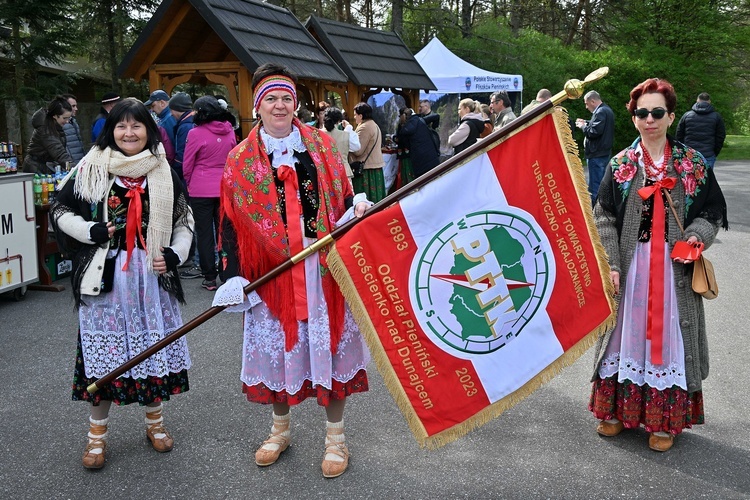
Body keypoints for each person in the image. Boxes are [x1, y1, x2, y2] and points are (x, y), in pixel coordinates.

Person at [215, 62, 371, 478]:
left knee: (331, 348)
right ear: (258, 106)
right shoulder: (239, 159)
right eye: (271, 99)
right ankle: (279, 431)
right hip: (272, 272)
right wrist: (232, 272)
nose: (280, 105)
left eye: (286, 98)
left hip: (322, 269)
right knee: (278, 353)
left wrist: (356, 205)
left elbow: (345, 190)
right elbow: (230, 220)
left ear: (296, 103)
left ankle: (336, 439)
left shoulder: (320, 144)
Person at [50, 98, 195, 469]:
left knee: (150, 350)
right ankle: (96, 440)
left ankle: (155, 425)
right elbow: (60, 209)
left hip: (151, 277)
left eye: (136, 126)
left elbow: (184, 221)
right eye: (121, 126)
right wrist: (89, 230)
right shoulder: (90, 169)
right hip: (106, 279)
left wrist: (177, 253)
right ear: (110, 131)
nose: (129, 133)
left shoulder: (163, 171)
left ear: (149, 129)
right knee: (104, 362)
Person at [590, 78, 727, 453]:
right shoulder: (621, 164)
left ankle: (662, 422)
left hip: (673, 270)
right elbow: (603, 215)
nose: (649, 119)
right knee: (625, 335)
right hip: (632, 267)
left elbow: (713, 210)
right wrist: (612, 264)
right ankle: (616, 412)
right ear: (633, 117)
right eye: (641, 112)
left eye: (657, 112)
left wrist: (697, 236)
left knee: (667, 338)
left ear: (670, 117)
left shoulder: (691, 163)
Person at [181, 96, 237, 291]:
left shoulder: (195, 133)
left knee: (205, 234)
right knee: (226, 232)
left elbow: (188, 163)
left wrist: (188, 182)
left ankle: (209, 277)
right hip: (224, 187)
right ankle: (228, 272)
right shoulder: (230, 131)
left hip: (200, 187)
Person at [576, 90, 615, 204]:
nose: (586, 107)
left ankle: (595, 215)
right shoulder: (606, 110)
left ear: (592, 101)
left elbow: (593, 132)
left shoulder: (600, 112)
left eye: (586, 104)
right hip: (603, 153)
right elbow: (599, 126)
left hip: (596, 154)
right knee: (603, 184)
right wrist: (587, 122)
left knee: (595, 187)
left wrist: (583, 127)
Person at [22, 96, 74, 174]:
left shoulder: (54, 126)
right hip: (35, 168)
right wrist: (73, 169)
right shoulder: (45, 129)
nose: (67, 121)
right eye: (65, 118)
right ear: (55, 116)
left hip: (44, 166)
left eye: (69, 118)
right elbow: (59, 152)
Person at [675, 92, 726, 168]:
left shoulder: (687, 115)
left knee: (689, 179)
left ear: (697, 100)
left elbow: (679, 135)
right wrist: (714, 152)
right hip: (708, 154)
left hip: (689, 154)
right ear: (709, 102)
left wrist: (683, 150)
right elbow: (720, 136)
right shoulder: (716, 117)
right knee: (707, 179)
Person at [350, 102, 386, 203]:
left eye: (355, 115)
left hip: (366, 169)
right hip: (373, 166)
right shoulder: (373, 124)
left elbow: (358, 150)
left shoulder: (364, 127)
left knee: (366, 200)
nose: (354, 117)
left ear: (360, 116)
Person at [396, 107, 440, 178]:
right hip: (433, 158)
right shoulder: (421, 121)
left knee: (423, 184)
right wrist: (434, 127)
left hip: (419, 162)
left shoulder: (404, 131)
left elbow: (406, 145)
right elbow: (436, 116)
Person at [320, 106, 360, 184]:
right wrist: (348, 128)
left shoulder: (317, 134)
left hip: (323, 172)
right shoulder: (345, 135)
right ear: (339, 121)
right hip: (343, 172)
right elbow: (356, 146)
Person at [169, 92, 195, 182]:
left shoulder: (186, 127)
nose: (171, 114)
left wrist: (174, 174)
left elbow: (182, 154)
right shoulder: (189, 122)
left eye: (171, 110)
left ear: (177, 109)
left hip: (185, 174)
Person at [62, 94, 86, 166]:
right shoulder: (61, 124)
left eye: (76, 106)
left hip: (79, 162)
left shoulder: (73, 121)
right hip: (69, 163)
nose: (76, 109)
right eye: (73, 106)